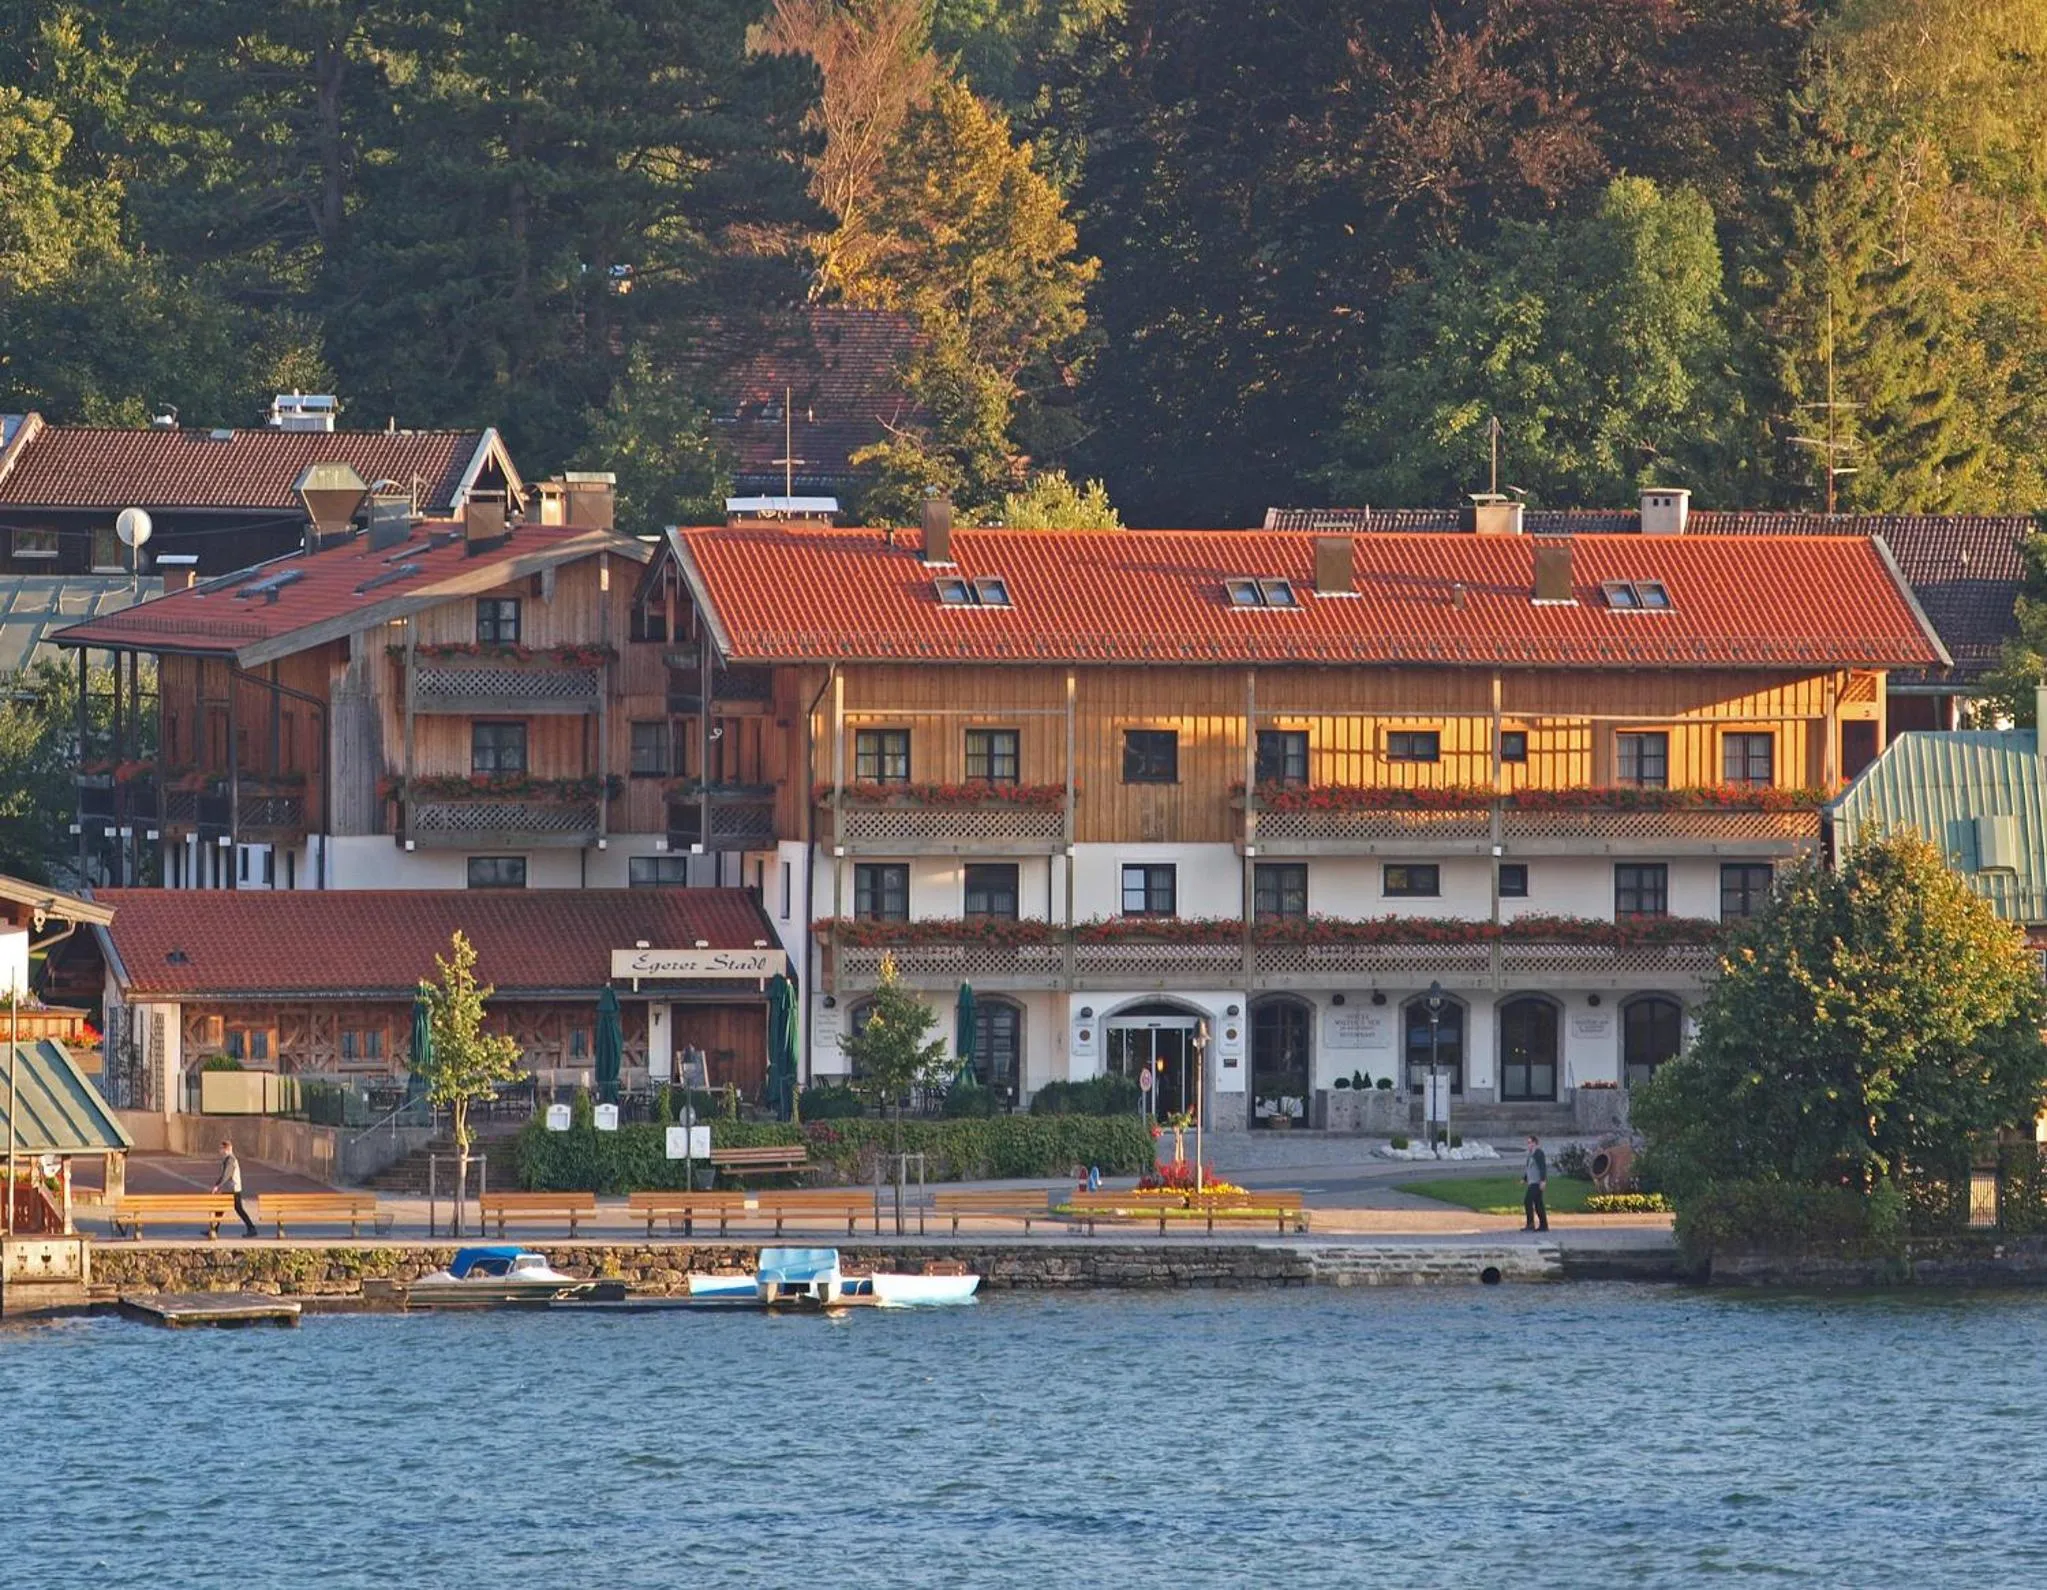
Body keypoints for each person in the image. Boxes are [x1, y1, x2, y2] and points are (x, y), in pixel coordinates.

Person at [214, 1137, 258, 1237]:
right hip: (233, 1189)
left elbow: (227, 1174)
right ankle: (214, 1229)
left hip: (233, 1189)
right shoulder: (229, 1159)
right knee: (225, 1208)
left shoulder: (230, 1160)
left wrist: (217, 1186)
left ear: (226, 1149)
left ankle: (251, 1228)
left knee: (235, 1209)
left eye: (221, 1148)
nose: (220, 1151)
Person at [1522, 1135, 1549, 1232]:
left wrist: (1543, 1180)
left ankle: (1530, 1224)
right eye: (1527, 1143)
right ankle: (1544, 1225)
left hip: (1536, 1182)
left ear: (1534, 1143)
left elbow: (1542, 1167)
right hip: (1532, 1182)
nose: (1528, 1145)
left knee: (1528, 1201)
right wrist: (1525, 1179)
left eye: (1529, 1142)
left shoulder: (1538, 1153)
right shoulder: (1531, 1154)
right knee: (1538, 1204)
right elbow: (1529, 1168)